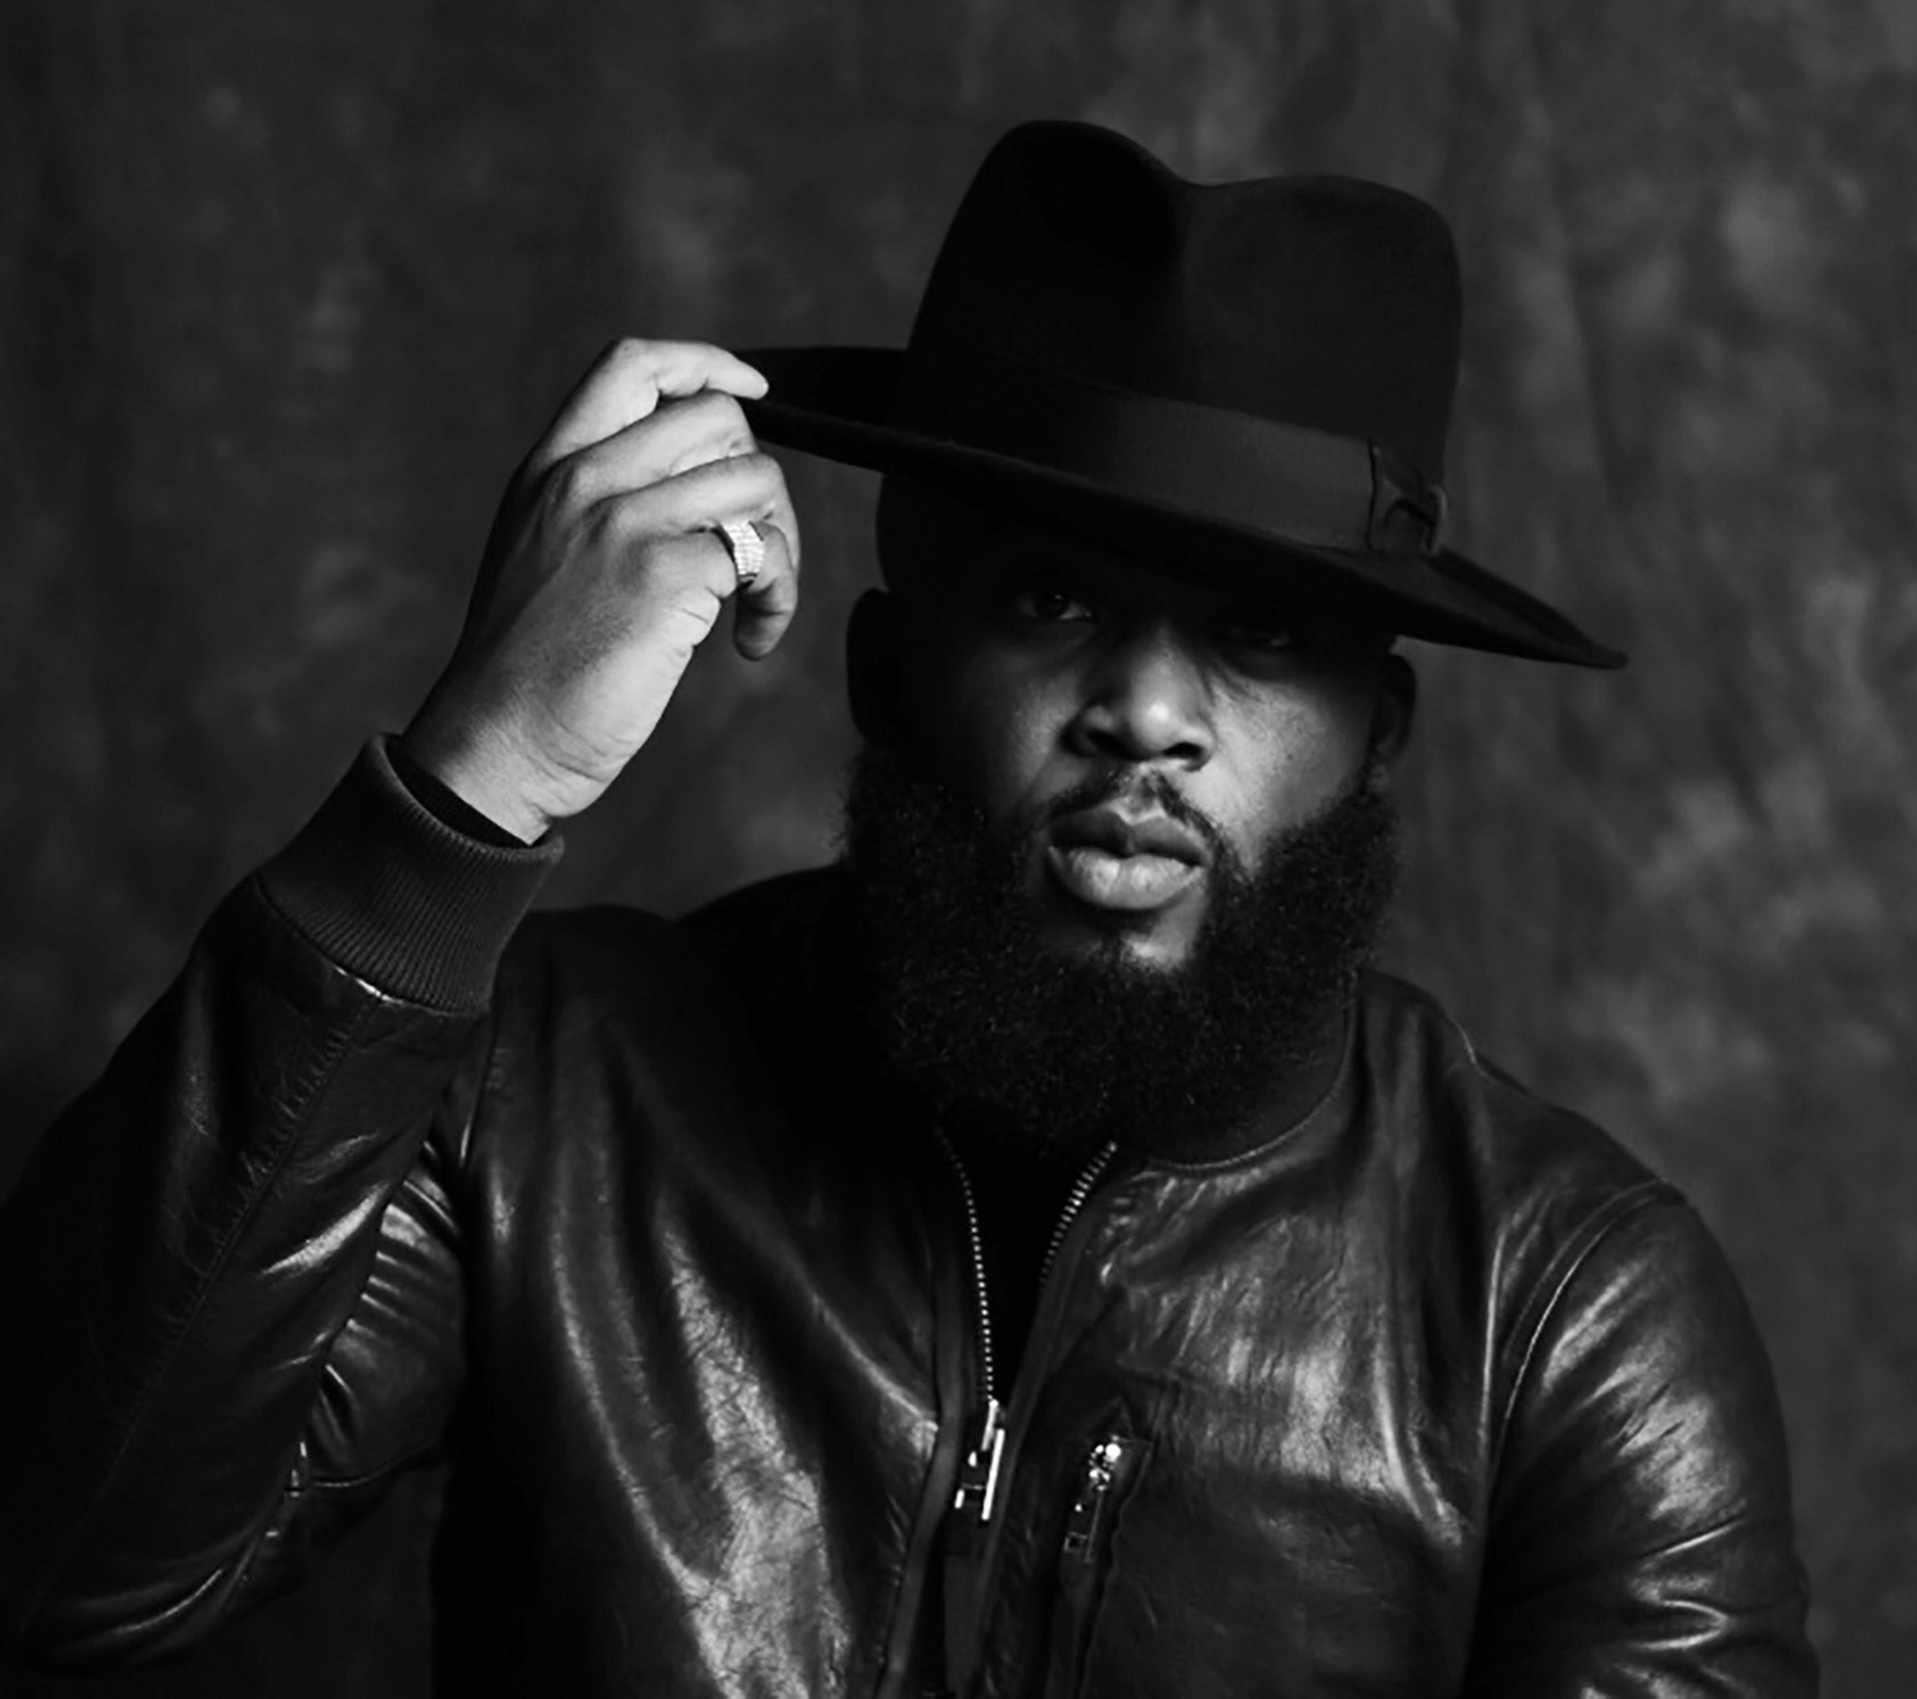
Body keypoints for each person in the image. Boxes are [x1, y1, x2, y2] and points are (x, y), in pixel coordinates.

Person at [0, 120, 1816, 1697]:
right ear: (884, 671)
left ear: (1380, 742)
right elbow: (70, 1560)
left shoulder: (1567, 1315)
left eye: (1261, 636)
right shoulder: (552, 1099)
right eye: (1048, 602)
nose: (1150, 714)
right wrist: (469, 794)